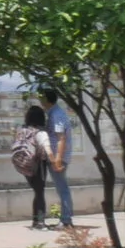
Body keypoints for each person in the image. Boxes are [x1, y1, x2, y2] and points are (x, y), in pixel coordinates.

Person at [40, 88, 77, 228]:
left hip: (58, 157)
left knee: (62, 188)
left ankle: (66, 220)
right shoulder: (53, 113)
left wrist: (57, 159)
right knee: (61, 188)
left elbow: (61, 138)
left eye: (42, 98)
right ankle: (66, 218)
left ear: (46, 100)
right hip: (56, 156)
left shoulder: (56, 114)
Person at [13, 103, 53, 228]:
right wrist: (54, 161)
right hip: (38, 165)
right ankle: (40, 222)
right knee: (40, 192)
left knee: (37, 191)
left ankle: (35, 220)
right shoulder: (40, 132)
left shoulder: (22, 130)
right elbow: (45, 149)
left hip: (23, 164)